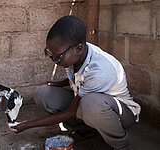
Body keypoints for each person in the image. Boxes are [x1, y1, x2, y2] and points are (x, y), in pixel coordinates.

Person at [11, 15, 141, 150]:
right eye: (49, 53)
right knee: (43, 93)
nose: (54, 60)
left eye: (58, 57)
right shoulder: (77, 53)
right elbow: (79, 79)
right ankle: (85, 129)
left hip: (121, 114)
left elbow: (71, 111)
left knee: (91, 103)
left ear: (78, 49)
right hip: (90, 104)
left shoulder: (99, 69)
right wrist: (60, 84)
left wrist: (27, 125)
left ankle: (120, 144)